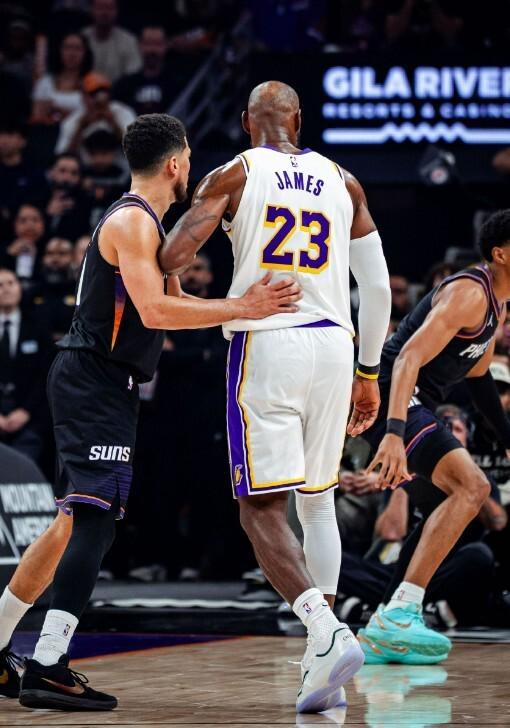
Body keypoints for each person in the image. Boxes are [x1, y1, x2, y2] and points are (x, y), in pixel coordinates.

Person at [0, 112, 300, 711]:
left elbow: (177, 304)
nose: (190, 169)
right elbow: (157, 312)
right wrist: (243, 305)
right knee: (95, 522)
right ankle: (49, 664)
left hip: (103, 381)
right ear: (176, 162)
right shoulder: (134, 221)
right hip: (94, 379)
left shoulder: (149, 225)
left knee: (68, 525)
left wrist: (241, 311)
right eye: (189, 160)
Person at [159, 81, 392, 713]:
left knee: (258, 508)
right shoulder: (344, 181)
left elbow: (171, 255)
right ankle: (325, 654)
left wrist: (191, 250)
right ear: (298, 120)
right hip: (335, 345)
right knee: (318, 503)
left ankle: (325, 630)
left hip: (269, 340)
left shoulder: (234, 174)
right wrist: (369, 372)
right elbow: (376, 288)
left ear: (245, 122)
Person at [357, 209, 510, 664]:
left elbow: (478, 376)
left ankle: (385, 620)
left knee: (442, 506)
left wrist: (506, 437)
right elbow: (407, 358)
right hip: (391, 395)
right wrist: (393, 433)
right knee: (473, 487)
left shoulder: (498, 304)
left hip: (411, 402)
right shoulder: (469, 292)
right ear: (500, 254)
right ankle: (403, 611)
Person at [0, 269, 53, 463]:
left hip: (31, 418)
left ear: (20, 287)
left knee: (23, 466)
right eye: (0, 285)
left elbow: (46, 374)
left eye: (11, 283)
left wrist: (26, 411)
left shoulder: (38, 326)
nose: (6, 289)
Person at [55, 72, 136, 158]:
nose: (99, 98)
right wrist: (81, 127)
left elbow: (136, 151)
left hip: (120, 165)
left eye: (104, 92)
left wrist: (113, 122)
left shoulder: (123, 112)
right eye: (93, 94)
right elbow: (62, 157)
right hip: (85, 165)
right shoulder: (74, 119)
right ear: (83, 97)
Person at [113, 26, 177, 116]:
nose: (152, 50)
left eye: (157, 44)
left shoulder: (177, 84)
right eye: (148, 44)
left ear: (166, 46)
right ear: (140, 45)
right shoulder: (124, 85)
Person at [31, 33, 93, 125]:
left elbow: (93, 118)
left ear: (85, 53)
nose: (72, 53)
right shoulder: (45, 82)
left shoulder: (92, 82)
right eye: (67, 48)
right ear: (60, 51)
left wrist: (59, 110)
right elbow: (37, 116)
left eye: (77, 48)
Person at [82, 0, 142, 83]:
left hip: (119, 89)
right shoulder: (82, 38)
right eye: (100, 8)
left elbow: (133, 73)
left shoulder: (129, 41)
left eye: (109, 8)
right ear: (92, 10)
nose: (104, 13)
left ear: (116, 11)